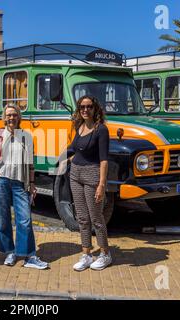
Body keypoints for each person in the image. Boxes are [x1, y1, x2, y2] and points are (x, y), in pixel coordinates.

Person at [0, 104, 49, 270]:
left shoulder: (26, 136)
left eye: (14, 115)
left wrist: (33, 183)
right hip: (1, 181)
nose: (11, 118)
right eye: (8, 115)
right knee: (3, 218)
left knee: (25, 219)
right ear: (4, 117)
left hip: (20, 182)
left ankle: (29, 256)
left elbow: (30, 163)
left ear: (18, 117)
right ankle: (10, 252)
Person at [67, 95, 112, 271]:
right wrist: (69, 159)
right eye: (82, 107)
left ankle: (105, 253)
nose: (85, 110)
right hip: (75, 174)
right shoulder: (79, 126)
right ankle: (86, 254)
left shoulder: (101, 130)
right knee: (82, 218)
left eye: (89, 107)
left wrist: (102, 184)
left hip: (93, 175)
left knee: (96, 217)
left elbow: (104, 160)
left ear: (95, 109)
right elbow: (73, 147)